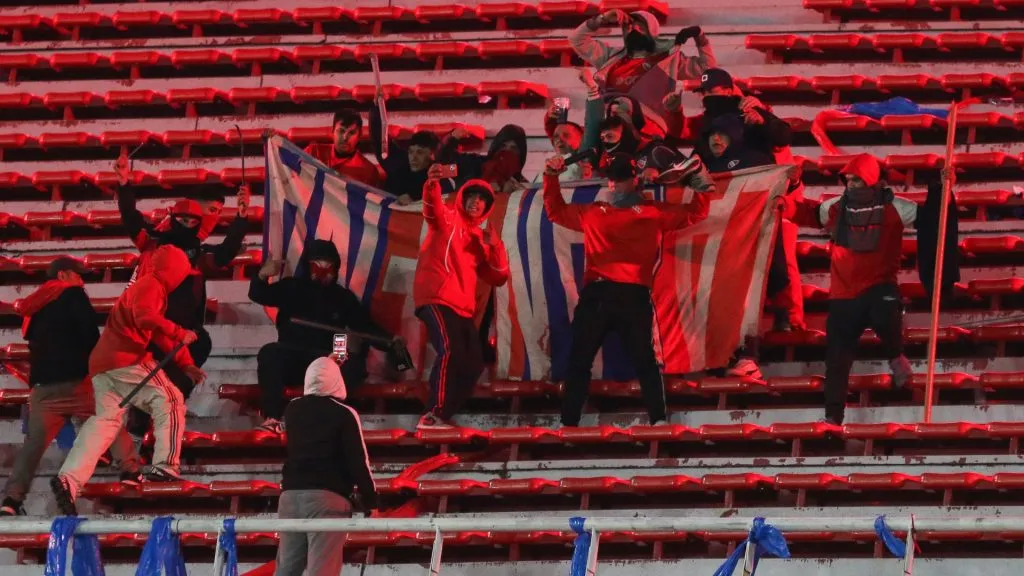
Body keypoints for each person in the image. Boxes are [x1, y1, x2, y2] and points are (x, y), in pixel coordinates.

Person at [544, 153, 710, 427]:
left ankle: (658, 420)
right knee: (581, 359)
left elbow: (696, 213)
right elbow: (556, 211)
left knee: (643, 360)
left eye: (620, 180)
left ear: (635, 181)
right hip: (606, 294)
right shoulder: (598, 211)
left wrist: (702, 187)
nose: (614, 185)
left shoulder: (651, 211)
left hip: (628, 293)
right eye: (612, 180)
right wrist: (550, 177)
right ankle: (569, 423)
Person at [51, 245, 205, 515]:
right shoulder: (152, 284)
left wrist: (186, 362)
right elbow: (146, 319)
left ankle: (69, 480)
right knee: (169, 399)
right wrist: (180, 331)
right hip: (126, 359)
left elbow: (156, 332)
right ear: (175, 270)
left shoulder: (144, 286)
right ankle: (165, 467)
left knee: (104, 422)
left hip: (102, 363)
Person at [115, 154, 249, 436]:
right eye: (210, 211)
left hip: (179, 333)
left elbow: (222, 256)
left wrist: (241, 218)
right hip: (152, 328)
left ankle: (148, 417)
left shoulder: (198, 254)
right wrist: (125, 183)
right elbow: (131, 219)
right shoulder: (154, 242)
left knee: (189, 359)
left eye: (217, 213)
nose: (212, 219)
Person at [782, 154, 918, 425]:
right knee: (836, 359)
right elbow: (805, 213)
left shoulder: (898, 207)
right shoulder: (835, 206)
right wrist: (784, 197)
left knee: (886, 317)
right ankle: (833, 418)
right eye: (848, 179)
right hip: (844, 293)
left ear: (870, 179)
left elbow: (933, 218)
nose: (852, 184)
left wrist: (942, 189)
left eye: (857, 179)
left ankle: (896, 358)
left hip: (881, 283)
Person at [0, 259, 142, 516]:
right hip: (76, 382)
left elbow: (32, 342)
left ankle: (11, 500)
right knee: (109, 416)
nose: (82, 281)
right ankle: (129, 469)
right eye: (79, 275)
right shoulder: (73, 295)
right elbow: (90, 336)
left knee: (33, 446)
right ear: (64, 274)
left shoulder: (35, 303)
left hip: (43, 387)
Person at [249, 240, 396, 434]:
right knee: (269, 353)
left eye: (329, 265)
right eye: (318, 264)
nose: (324, 270)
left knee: (353, 363)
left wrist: (390, 342)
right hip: (292, 353)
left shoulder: (343, 297)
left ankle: (328, 419)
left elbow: (364, 328)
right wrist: (261, 275)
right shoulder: (291, 287)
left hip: (328, 357)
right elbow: (259, 294)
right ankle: (273, 418)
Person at [414, 167, 510, 429]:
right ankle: (433, 413)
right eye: (472, 196)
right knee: (451, 350)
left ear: (487, 207)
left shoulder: (480, 238)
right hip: (435, 298)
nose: (476, 202)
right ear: (462, 198)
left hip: (462, 308)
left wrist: (496, 246)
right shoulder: (446, 218)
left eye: (482, 199)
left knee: (474, 362)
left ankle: (441, 415)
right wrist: (432, 183)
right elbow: (431, 209)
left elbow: (499, 277)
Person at [275, 356, 377, 576]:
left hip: (290, 497)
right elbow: (358, 461)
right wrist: (371, 501)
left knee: (286, 569)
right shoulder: (344, 413)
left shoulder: (292, 410)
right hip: (326, 499)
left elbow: (318, 379)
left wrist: (324, 364)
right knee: (322, 570)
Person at [570, 9, 714, 140]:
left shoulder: (668, 60)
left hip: (647, 131)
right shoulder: (610, 57)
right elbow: (576, 40)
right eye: (628, 26)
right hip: (611, 127)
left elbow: (707, 67)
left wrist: (700, 37)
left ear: (652, 31)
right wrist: (602, 18)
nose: (632, 28)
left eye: (640, 25)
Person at [690, 68, 793, 161]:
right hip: (723, 176)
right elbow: (701, 152)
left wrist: (763, 122)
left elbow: (784, 136)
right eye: (703, 92)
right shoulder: (707, 119)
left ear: (728, 92)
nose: (706, 96)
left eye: (711, 91)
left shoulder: (748, 108)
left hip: (753, 173)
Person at [369, 98, 453, 203]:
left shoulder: (441, 176)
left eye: (420, 152)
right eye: (411, 152)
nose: (413, 157)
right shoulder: (400, 165)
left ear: (432, 155)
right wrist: (377, 107)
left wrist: (414, 197)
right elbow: (379, 140)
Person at [304, 109, 384, 188]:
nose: (345, 138)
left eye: (351, 133)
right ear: (332, 131)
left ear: (360, 135)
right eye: (341, 131)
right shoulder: (312, 153)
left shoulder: (368, 171)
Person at [440, 124, 528, 194]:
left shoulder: (522, 186)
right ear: (496, 147)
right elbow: (446, 162)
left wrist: (516, 195)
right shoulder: (472, 164)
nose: (506, 152)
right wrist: (452, 138)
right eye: (503, 146)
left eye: (513, 149)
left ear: (521, 154)